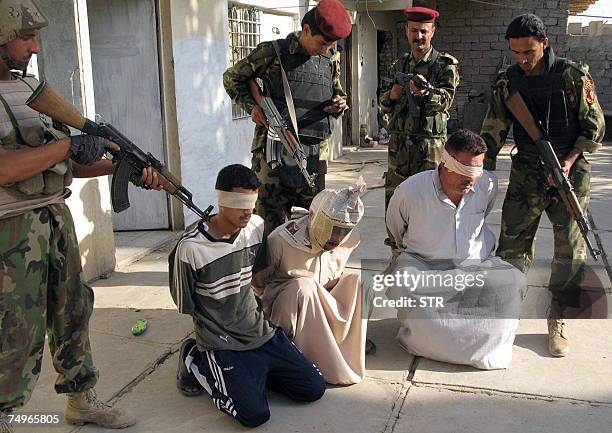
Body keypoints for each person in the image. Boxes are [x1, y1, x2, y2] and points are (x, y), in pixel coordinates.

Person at [0, 2, 167, 431]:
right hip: (8, 231)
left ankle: (81, 400)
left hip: (53, 218)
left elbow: (65, 164)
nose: (35, 47)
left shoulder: (31, 90)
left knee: (73, 311)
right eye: (25, 37)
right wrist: (66, 146)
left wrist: (122, 166)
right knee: (13, 330)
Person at [480, 14, 605, 357]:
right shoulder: (508, 83)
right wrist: (477, 172)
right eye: (516, 52)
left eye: (529, 52)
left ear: (545, 43)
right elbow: (492, 131)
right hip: (527, 173)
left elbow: (595, 127)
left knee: (570, 250)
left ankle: (558, 318)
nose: (522, 59)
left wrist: (567, 160)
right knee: (512, 247)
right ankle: (505, 315)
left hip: (570, 172)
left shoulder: (572, 75)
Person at [170, 164, 325, 428]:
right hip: (222, 342)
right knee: (254, 415)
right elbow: (186, 304)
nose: (248, 210)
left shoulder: (256, 227)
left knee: (313, 388)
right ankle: (195, 358)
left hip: (261, 332)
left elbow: (256, 277)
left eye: (251, 202)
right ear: (221, 199)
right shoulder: (191, 249)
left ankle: (254, 373)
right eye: (239, 202)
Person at [385, 130, 525, 370]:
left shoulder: (488, 184)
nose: (472, 179)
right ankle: (432, 338)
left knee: (514, 281)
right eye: (465, 171)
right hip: (425, 267)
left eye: (477, 170)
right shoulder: (410, 191)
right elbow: (396, 230)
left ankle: (474, 344)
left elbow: (485, 212)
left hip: (475, 267)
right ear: (445, 163)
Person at [223, 0, 351, 236]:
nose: (325, 49)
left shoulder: (329, 57)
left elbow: (336, 92)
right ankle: (267, 272)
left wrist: (340, 104)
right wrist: (252, 107)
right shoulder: (273, 52)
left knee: (311, 227)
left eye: (330, 45)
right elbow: (232, 77)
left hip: (311, 157)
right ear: (306, 30)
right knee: (268, 228)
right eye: (322, 43)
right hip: (272, 156)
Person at [253, 180, 369, 385]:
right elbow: (258, 285)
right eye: (332, 228)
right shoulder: (280, 241)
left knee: (360, 281)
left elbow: (334, 275)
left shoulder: (351, 239)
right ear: (313, 218)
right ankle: (296, 356)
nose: (338, 237)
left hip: (323, 303)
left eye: (344, 230)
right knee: (303, 288)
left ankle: (344, 344)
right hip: (288, 311)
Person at [379, 6, 459, 249]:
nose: (418, 36)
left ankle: (428, 257)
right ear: (406, 30)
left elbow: (447, 101)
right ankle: (397, 253)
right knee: (396, 204)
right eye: (414, 31)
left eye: (424, 31)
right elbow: (385, 105)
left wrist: (426, 93)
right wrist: (392, 95)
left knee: (430, 203)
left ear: (432, 31)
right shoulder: (399, 65)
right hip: (399, 149)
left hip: (429, 149)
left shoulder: (444, 65)